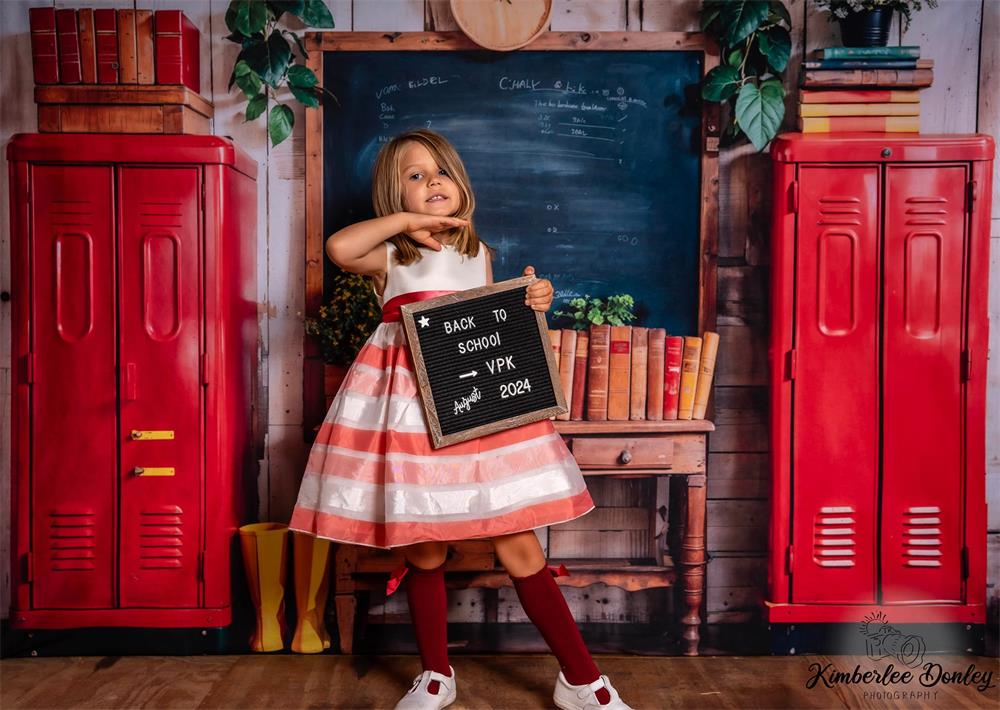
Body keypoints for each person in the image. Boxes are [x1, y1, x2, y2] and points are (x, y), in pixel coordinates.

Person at [289, 129, 633, 710]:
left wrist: (535, 300)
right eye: (414, 177)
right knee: (423, 546)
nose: (431, 184)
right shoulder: (391, 256)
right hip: (406, 415)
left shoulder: (480, 255)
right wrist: (403, 223)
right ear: (394, 197)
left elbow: (500, 337)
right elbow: (340, 250)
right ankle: (436, 676)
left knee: (520, 543)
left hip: (479, 414)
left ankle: (581, 678)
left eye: (439, 172)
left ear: (460, 182)